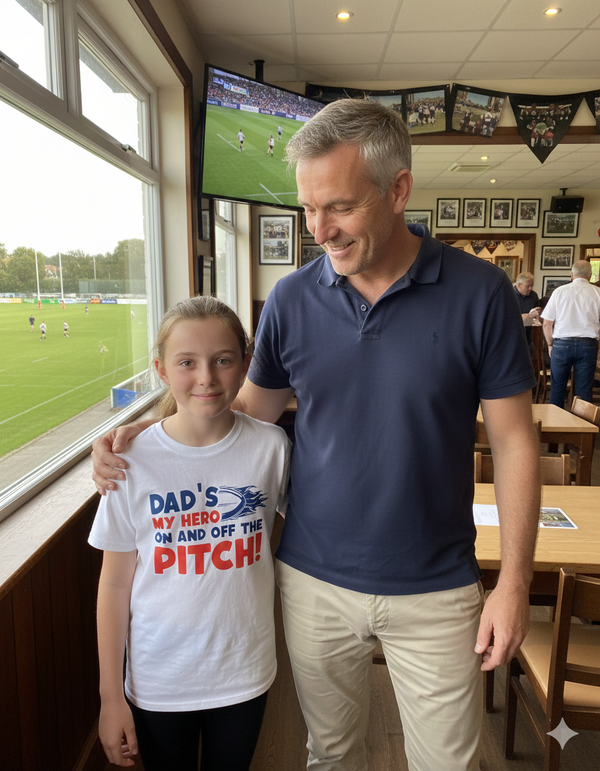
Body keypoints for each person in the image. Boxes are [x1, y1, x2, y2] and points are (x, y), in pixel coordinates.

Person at [92, 99, 540, 771]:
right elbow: (238, 415)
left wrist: (514, 583)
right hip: (310, 581)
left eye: (339, 207)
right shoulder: (292, 299)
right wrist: (142, 435)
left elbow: (513, 443)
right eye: (307, 208)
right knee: (330, 755)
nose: (320, 229)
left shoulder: (482, 292)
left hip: (437, 584)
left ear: (398, 189)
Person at [89, 296, 290, 770]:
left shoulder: (271, 446)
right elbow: (114, 585)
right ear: (161, 369)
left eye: (223, 360)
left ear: (246, 364)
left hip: (244, 671)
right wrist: (110, 697)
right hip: (160, 678)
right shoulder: (128, 461)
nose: (206, 378)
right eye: (187, 363)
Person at [541, 259, 600, 407]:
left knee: (557, 389)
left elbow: (547, 323)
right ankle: (582, 422)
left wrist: (550, 344)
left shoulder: (559, 292)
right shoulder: (597, 292)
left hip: (562, 344)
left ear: (571, 274)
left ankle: (556, 421)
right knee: (584, 392)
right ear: (590, 275)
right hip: (588, 344)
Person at [513, 272, 541, 354]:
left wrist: (538, 312)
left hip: (527, 339)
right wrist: (527, 316)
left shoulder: (533, 296)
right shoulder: (509, 295)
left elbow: (538, 311)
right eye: (528, 286)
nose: (530, 288)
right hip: (511, 339)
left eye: (532, 286)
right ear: (519, 285)